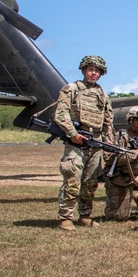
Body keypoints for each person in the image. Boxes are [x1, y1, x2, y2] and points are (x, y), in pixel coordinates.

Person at [54, 55, 115, 231]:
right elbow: (61, 114)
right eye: (90, 70)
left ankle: (85, 216)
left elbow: (107, 121)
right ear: (83, 70)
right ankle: (65, 217)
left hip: (95, 143)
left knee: (91, 182)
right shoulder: (71, 89)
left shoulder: (102, 94)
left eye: (97, 71)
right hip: (76, 143)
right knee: (72, 179)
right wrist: (72, 134)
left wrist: (108, 143)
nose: (93, 73)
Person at [103, 106, 138, 222]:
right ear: (130, 120)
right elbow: (108, 158)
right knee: (118, 218)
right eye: (137, 120)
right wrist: (132, 155)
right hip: (120, 179)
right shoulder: (118, 136)